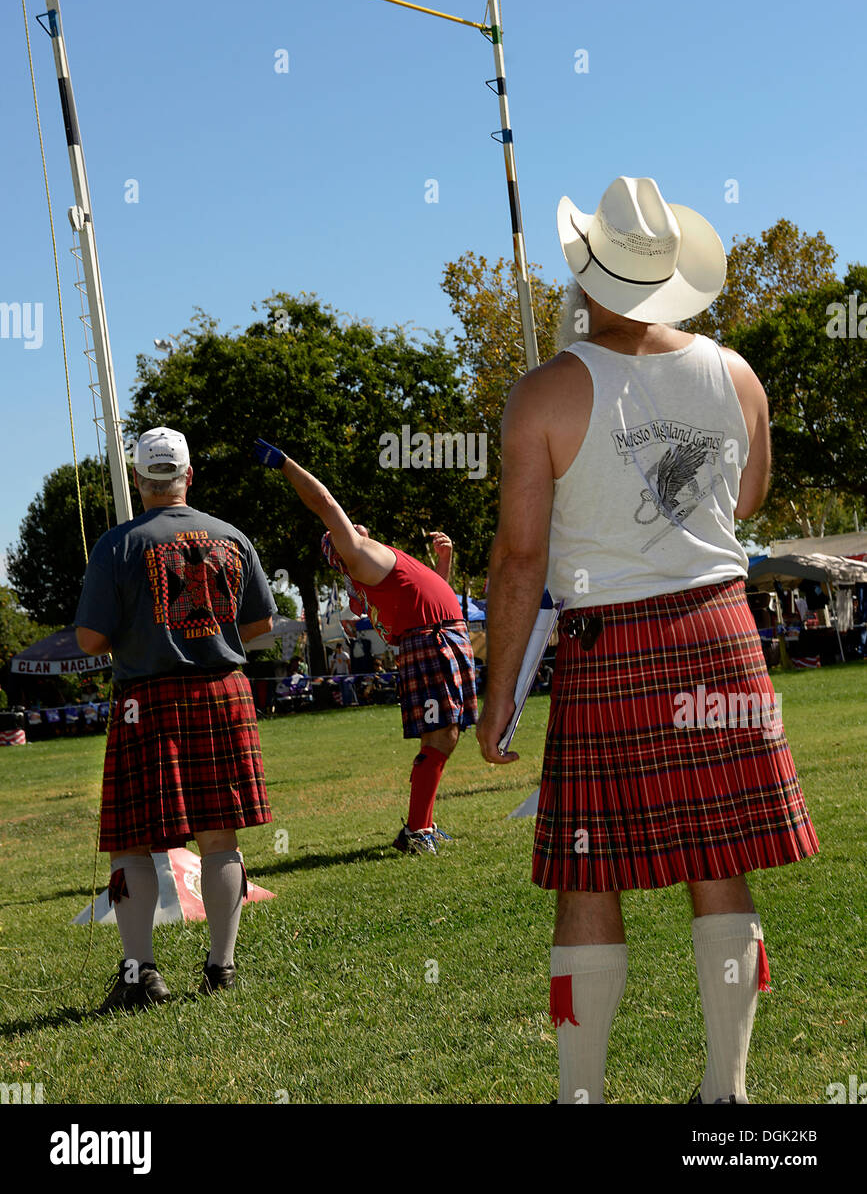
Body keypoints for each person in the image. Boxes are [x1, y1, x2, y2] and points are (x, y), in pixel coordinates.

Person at [475, 176, 819, 1104]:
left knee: (590, 867)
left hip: (606, 642)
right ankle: (726, 1092)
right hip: (720, 632)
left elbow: (517, 560)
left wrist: (498, 686)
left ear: (586, 275)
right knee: (718, 861)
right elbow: (741, 503)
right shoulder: (734, 372)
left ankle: (580, 1097)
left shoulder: (542, 393)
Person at [75, 426, 276, 1010]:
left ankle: (140, 975)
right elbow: (260, 626)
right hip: (222, 692)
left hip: (147, 700)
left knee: (132, 841)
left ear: (141, 481)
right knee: (220, 833)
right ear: (189, 476)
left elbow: (90, 639)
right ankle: (222, 968)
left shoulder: (117, 545)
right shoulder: (231, 536)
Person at [253, 439, 476, 854]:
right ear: (339, 549)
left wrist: (443, 565)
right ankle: (417, 831)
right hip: (435, 641)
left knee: (441, 736)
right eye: (344, 531)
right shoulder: (359, 557)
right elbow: (322, 501)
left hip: (439, 637)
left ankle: (419, 827)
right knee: (442, 736)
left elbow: (425, 594)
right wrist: (285, 463)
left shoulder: (372, 567)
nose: (353, 526)